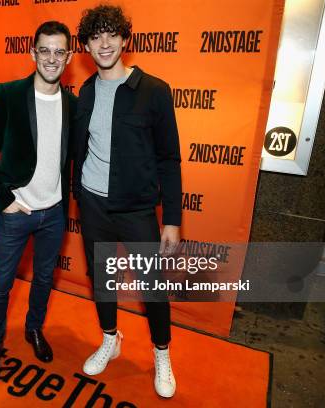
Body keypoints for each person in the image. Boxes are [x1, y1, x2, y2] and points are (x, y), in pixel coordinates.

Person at [73, 5, 182, 398]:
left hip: (137, 209)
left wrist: (172, 219)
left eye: (111, 34)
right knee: (102, 280)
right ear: (86, 45)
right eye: (95, 36)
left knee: (152, 286)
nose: (104, 43)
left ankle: (161, 353)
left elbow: (169, 158)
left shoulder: (154, 91)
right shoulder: (84, 93)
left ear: (125, 40)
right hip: (93, 205)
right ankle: (110, 339)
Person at [0, 21, 77, 383]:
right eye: (44, 50)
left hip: (53, 213)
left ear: (69, 56)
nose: (51, 58)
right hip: (16, 212)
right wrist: (4, 200)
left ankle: (34, 329)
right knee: (2, 283)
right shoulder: (9, 95)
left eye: (59, 51)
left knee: (45, 279)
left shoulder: (73, 104)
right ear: (32, 52)